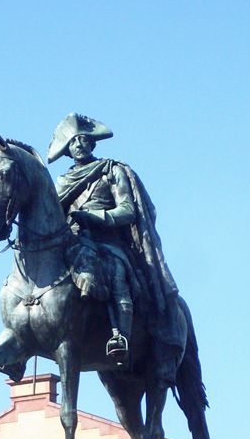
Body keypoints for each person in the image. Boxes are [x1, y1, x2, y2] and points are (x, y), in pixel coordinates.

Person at [48, 112, 182, 370]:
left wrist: (94, 216)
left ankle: (120, 334)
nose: (79, 145)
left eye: (83, 140)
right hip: (72, 243)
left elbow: (128, 209)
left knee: (116, 272)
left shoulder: (111, 171)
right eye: (73, 142)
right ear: (67, 150)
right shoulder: (62, 182)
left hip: (107, 243)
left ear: (92, 143)